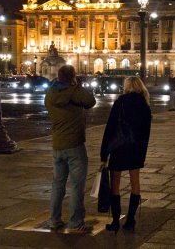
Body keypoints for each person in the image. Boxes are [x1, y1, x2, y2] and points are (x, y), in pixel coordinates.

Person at [44, 65, 96, 234]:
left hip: (57, 145)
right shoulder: (74, 92)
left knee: (57, 184)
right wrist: (76, 86)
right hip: (74, 145)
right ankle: (75, 222)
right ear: (73, 76)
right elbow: (90, 101)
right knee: (76, 185)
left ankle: (54, 219)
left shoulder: (50, 94)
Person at [100, 77, 152, 233]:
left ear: (127, 86)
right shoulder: (145, 104)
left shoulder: (121, 101)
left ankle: (115, 221)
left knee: (115, 183)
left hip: (119, 147)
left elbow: (110, 127)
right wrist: (142, 151)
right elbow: (146, 132)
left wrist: (104, 152)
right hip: (136, 148)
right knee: (135, 182)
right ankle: (130, 220)